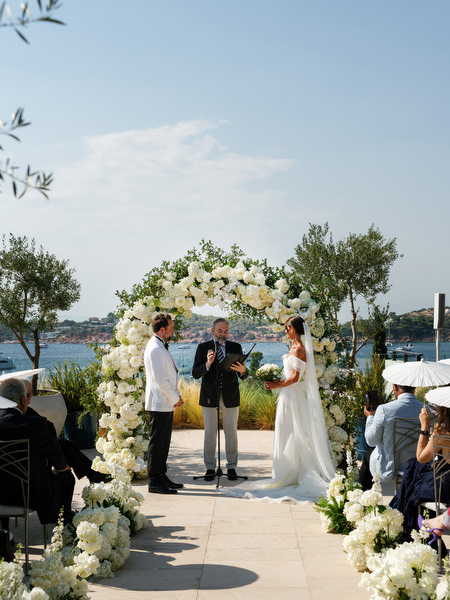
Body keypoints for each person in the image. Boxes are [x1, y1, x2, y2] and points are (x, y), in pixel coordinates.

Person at [223, 315, 335, 502]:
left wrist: (278, 384)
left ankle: (291, 473)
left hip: (293, 396)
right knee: (284, 430)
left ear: (293, 329)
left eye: (286, 328)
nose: (285, 332)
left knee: (293, 431)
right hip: (286, 395)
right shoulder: (292, 347)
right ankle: (283, 471)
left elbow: (295, 378)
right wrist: (275, 380)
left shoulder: (300, 349)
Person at [0, 377, 75, 526]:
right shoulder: (36, 425)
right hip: (29, 497)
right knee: (66, 476)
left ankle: (5, 533)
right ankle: (62, 524)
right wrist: (60, 467)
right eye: (27, 397)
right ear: (22, 399)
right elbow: (57, 459)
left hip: (0, 495)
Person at [21, 379, 109, 485]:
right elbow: (47, 428)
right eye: (29, 395)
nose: (30, 399)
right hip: (32, 459)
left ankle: (92, 474)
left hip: (21, 457)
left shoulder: (18, 412)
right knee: (61, 445)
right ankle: (92, 475)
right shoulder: (23, 413)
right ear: (22, 398)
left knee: (62, 443)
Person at [192, 318, 248, 481]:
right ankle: (210, 467)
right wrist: (208, 364)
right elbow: (195, 373)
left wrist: (243, 370)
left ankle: (231, 468)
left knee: (231, 432)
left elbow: (243, 376)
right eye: (220, 331)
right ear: (212, 331)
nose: (223, 334)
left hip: (231, 396)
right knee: (210, 433)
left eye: (226, 331)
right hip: (210, 396)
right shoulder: (203, 348)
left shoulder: (236, 347)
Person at [390, 405, 450, 539]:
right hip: (445, 483)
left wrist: (424, 427)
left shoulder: (442, 433)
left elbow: (421, 457)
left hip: (443, 489)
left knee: (414, 474)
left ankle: (408, 528)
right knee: (416, 472)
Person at [357, 383, 424, 490]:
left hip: (389, 471)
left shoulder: (384, 410)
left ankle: (364, 500)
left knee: (367, 456)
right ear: (414, 388)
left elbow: (371, 441)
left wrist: (370, 418)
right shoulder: (426, 410)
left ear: (395, 387)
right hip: (417, 469)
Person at [145, 313, 184, 494]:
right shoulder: (154, 348)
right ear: (162, 329)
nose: (172, 331)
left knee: (164, 443)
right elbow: (161, 380)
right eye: (170, 328)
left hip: (164, 403)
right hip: (159, 403)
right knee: (157, 443)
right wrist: (176, 398)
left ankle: (161, 475)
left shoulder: (159, 346)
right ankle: (154, 480)